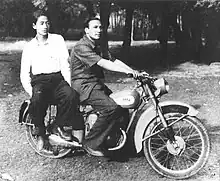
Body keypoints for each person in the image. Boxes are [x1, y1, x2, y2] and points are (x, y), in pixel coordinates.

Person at [70, 17, 141, 157]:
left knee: (122, 105)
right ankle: (90, 143)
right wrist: (126, 72)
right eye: (95, 27)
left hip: (94, 84)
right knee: (111, 108)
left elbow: (113, 60)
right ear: (86, 30)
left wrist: (133, 71)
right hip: (83, 86)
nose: (99, 30)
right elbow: (103, 63)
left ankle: (115, 140)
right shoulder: (81, 47)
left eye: (101, 27)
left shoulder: (98, 45)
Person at [20, 10, 84, 151]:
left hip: (57, 79)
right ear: (34, 26)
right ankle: (40, 134)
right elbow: (24, 74)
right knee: (37, 100)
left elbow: (65, 65)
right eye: (41, 23)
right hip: (39, 81)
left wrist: (69, 84)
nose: (45, 26)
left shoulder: (57, 39)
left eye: (47, 23)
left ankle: (58, 125)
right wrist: (32, 92)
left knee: (71, 96)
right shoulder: (29, 47)